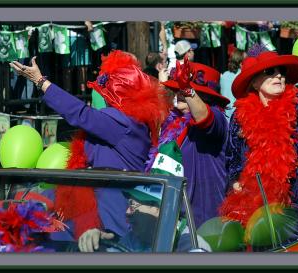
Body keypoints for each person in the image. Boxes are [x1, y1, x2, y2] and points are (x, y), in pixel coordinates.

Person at [10, 50, 171, 252]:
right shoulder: (130, 123)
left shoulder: (124, 124)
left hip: (111, 226)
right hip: (85, 217)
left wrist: (41, 81)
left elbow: (80, 114)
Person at [219, 30, 298, 247]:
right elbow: (233, 163)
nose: (279, 75)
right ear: (254, 83)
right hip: (260, 216)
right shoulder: (239, 120)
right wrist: (236, 184)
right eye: (270, 71)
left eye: (281, 71)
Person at [148, 56, 230, 229]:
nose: (180, 94)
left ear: (205, 97)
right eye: (178, 90)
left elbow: (204, 118)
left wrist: (187, 89)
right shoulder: (172, 121)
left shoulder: (217, 118)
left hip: (205, 223)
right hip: (174, 218)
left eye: (185, 91)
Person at [101, 184, 211, 253]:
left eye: (133, 206)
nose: (127, 212)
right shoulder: (132, 239)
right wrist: (96, 244)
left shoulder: (190, 245)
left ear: (158, 209)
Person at [220, 48, 246, 120]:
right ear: (241, 64)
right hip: (236, 116)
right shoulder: (242, 76)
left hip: (224, 114)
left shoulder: (224, 75)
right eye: (246, 60)